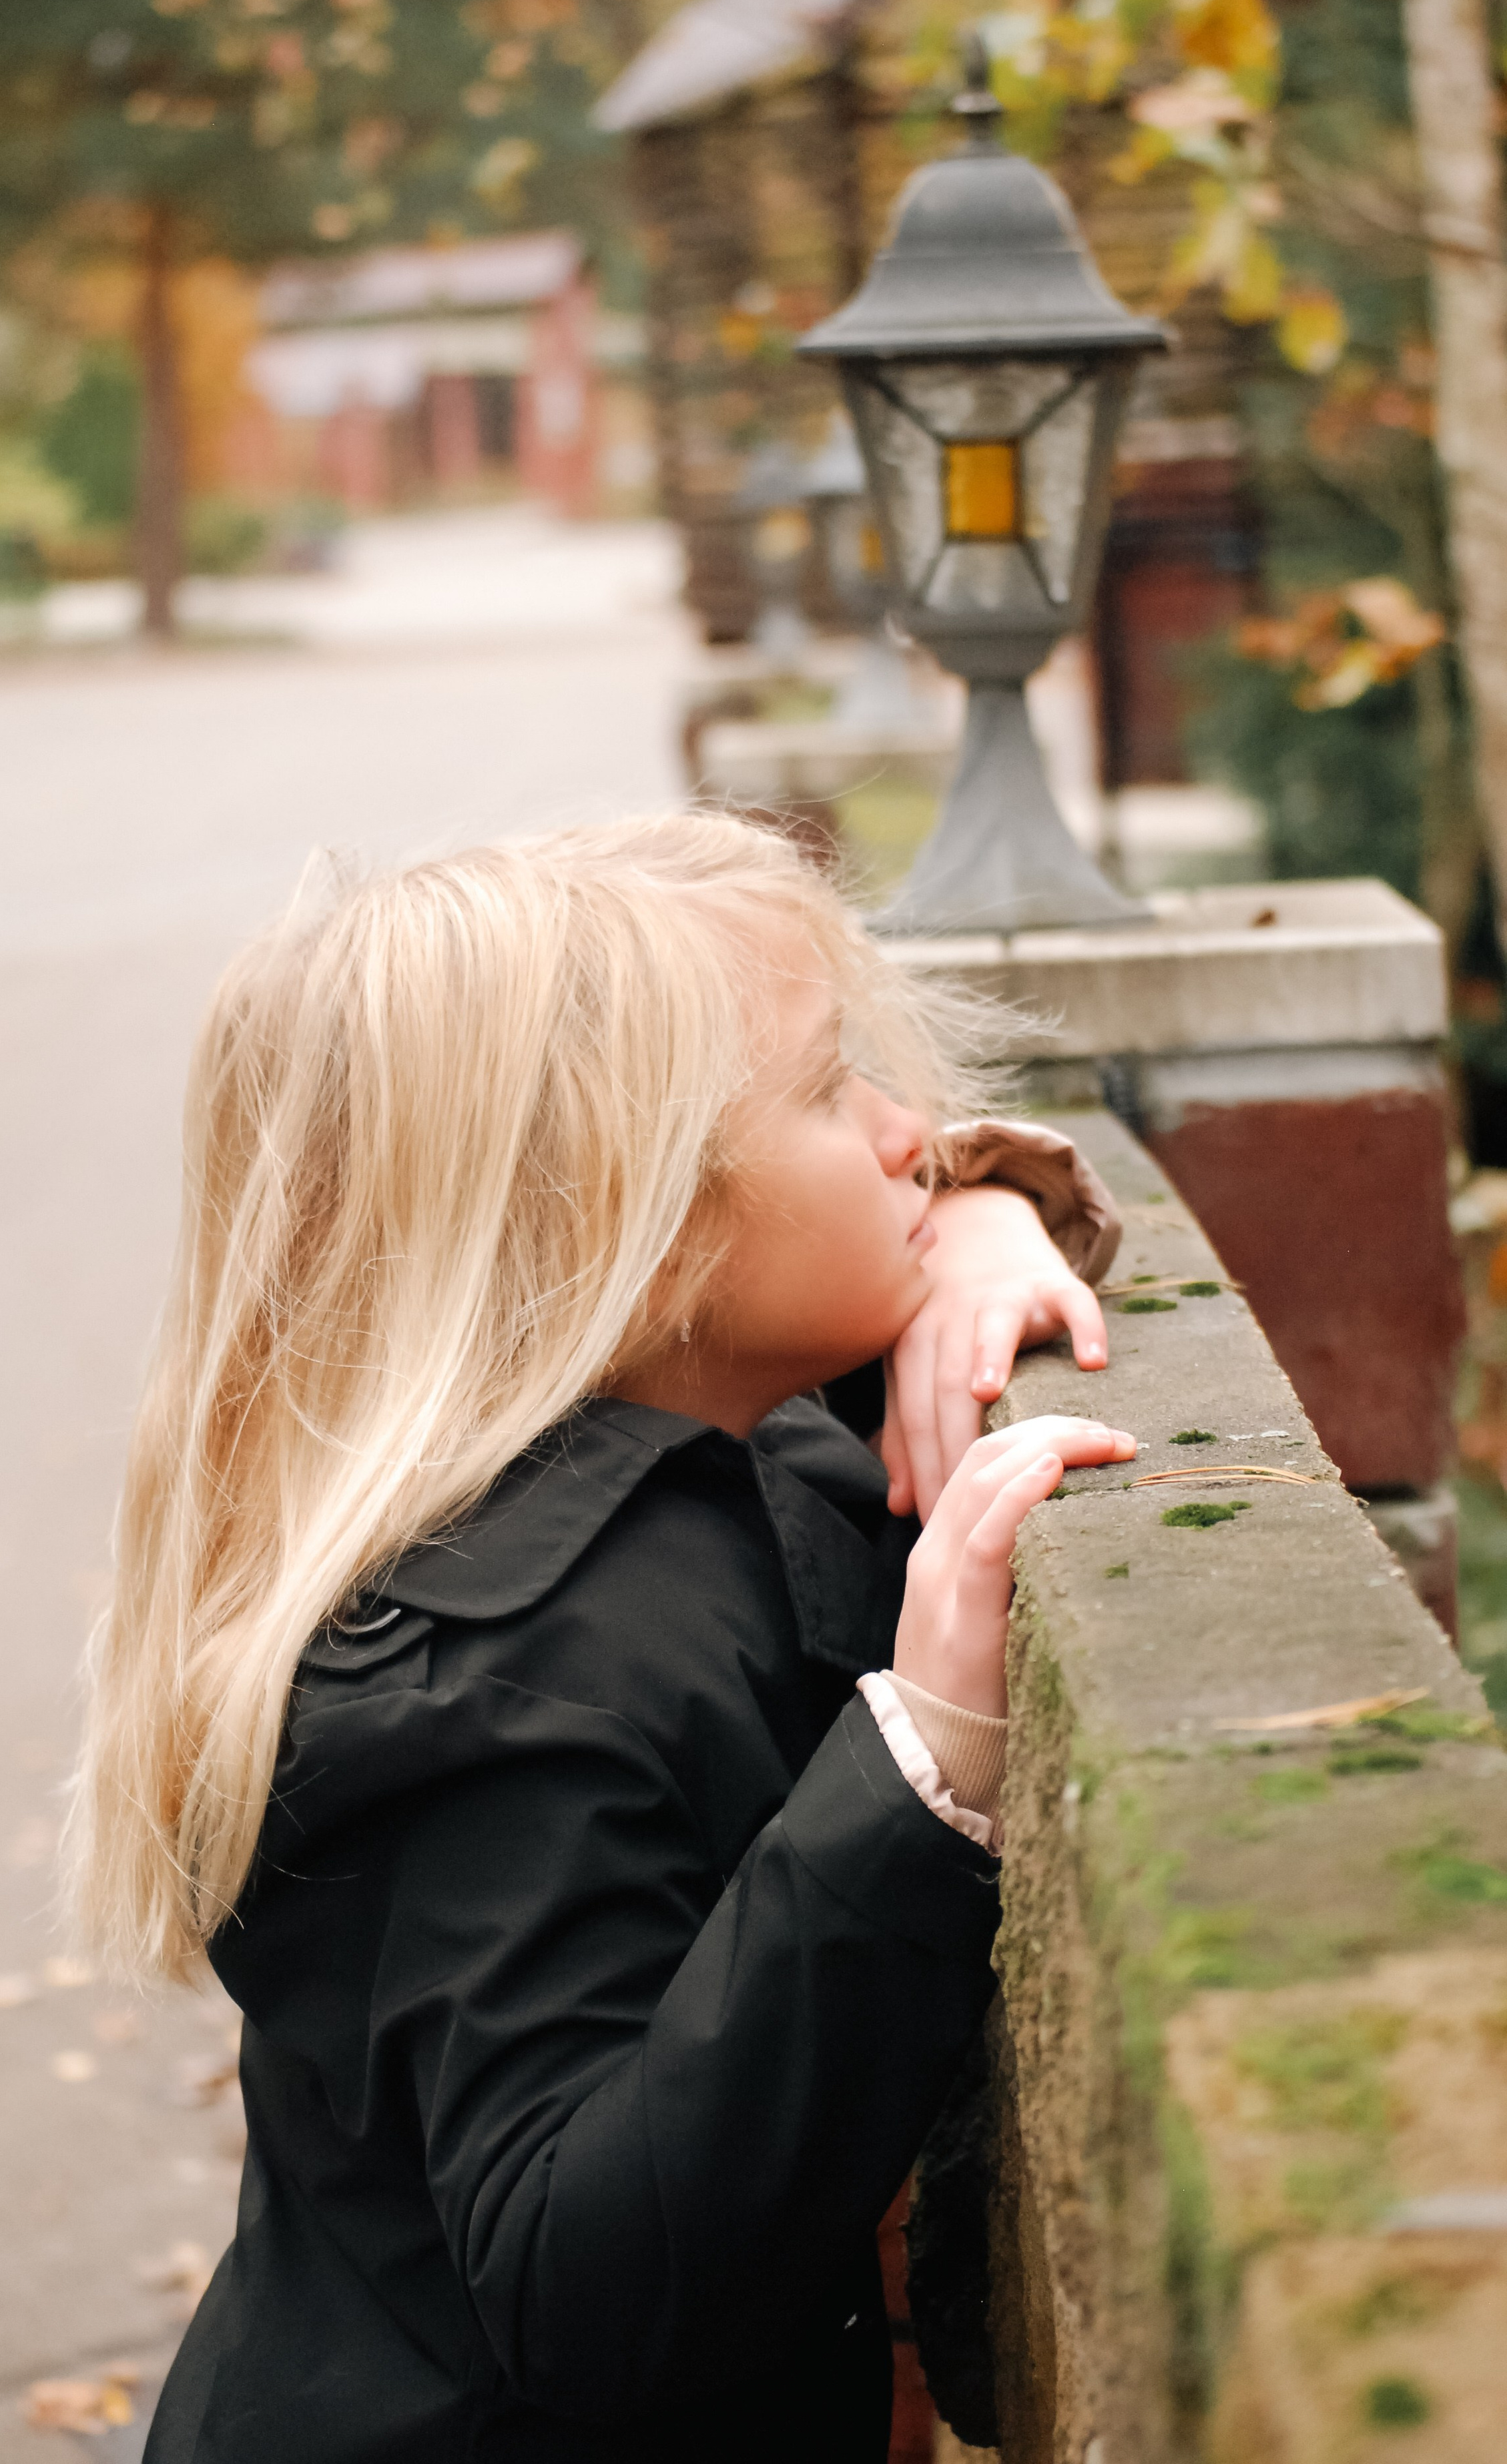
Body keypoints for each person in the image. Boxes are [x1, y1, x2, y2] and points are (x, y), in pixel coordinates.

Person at [67, 815, 1135, 2464]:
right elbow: (590, 2290)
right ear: (635, 1223)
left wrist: (983, 1225)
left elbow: (918, 1215)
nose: (900, 1127)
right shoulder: (484, 1688)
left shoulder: (715, 1426)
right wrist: (913, 1764)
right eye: (825, 1089)